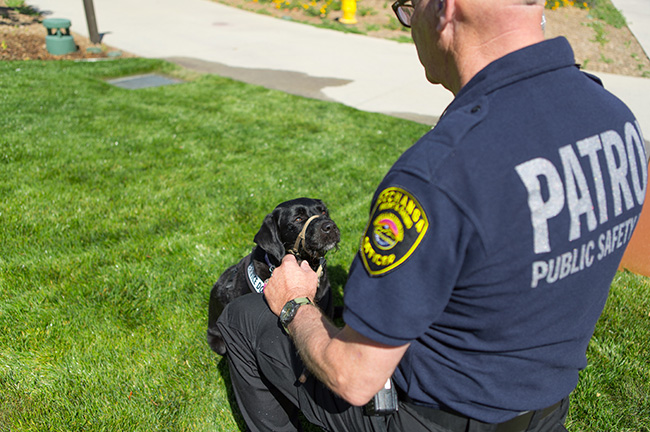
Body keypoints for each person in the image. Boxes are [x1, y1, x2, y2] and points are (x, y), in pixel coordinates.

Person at [216, 0, 648, 430]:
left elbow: (353, 376)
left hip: (428, 417)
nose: (408, 24)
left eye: (408, 8)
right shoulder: (615, 119)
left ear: (444, 9)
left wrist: (295, 304)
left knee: (243, 318)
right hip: (546, 412)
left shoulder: (436, 172)